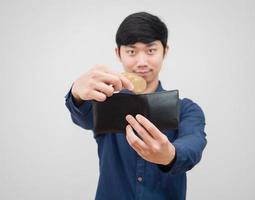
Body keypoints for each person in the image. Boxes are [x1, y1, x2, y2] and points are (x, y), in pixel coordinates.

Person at [65, 11, 207, 200]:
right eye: (131, 51)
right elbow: (82, 116)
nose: (141, 62)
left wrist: (169, 155)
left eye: (151, 50)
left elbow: (193, 145)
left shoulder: (187, 109)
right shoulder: (105, 103)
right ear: (119, 53)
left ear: (165, 51)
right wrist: (76, 93)